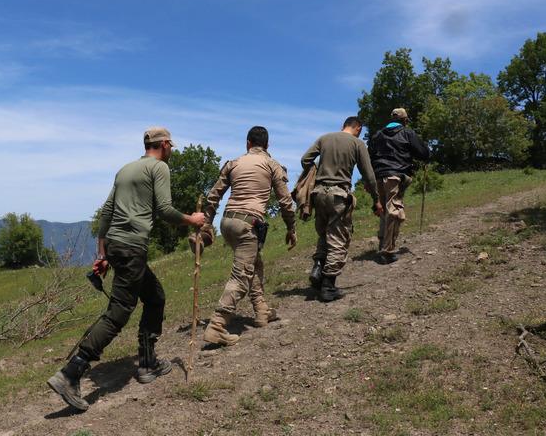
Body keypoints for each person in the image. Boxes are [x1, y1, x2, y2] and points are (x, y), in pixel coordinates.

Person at [47, 127, 205, 412]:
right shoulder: (159, 168)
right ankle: (70, 373)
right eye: (171, 146)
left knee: (155, 296)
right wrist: (192, 220)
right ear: (165, 144)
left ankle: (147, 363)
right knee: (119, 310)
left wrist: (103, 254)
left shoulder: (125, 170)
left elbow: (107, 212)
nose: (171, 151)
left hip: (118, 246)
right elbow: (166, 211)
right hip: (133, 247)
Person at [199, 126, 297, 346]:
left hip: (227, 222)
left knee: (254, 263)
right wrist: (291, 228)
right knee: (241, 276)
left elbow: (213, 196)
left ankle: (261, 311)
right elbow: (285, 202)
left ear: (247, 143)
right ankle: (217, 326)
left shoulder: (232, 164)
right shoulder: (272, 165)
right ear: (267, 145)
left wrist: (206, 224)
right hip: (248, 224)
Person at [301, 117, 381, 302]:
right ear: (358, 128)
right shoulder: (357, 143)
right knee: (338, 239)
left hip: (318, 194)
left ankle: (318, 267)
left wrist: (314, 171)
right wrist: (376, 199)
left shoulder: (325, 138)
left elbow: (305, 159)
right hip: (338, 195)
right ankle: (328, 286)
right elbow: (368, 174)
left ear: (343, 125)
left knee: (324, 235)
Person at [367, 108, 430, 264]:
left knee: (385, 211)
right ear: (404, 120)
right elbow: (423, 153)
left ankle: (383, 243)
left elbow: (369, 156)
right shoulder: (407, 133)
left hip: (378, 177)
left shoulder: (377, 135)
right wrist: (426, 152)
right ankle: (387, 251)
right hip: (396, 175)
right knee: (394, 211)